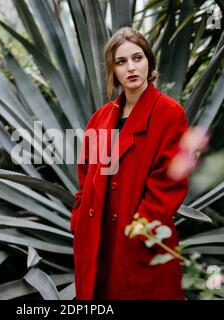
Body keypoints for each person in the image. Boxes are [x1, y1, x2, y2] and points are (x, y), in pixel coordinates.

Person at [70, 27, 189, 300]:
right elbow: (85, 176)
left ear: (149, 61)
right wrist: (78, 221)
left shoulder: (169, 113)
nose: (131, 67)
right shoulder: (100, 117)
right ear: (112, 70)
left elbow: (169, 184)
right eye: (121, 62)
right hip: (96, 242)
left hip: (139, 244)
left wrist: (139, 235)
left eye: (137, 58)